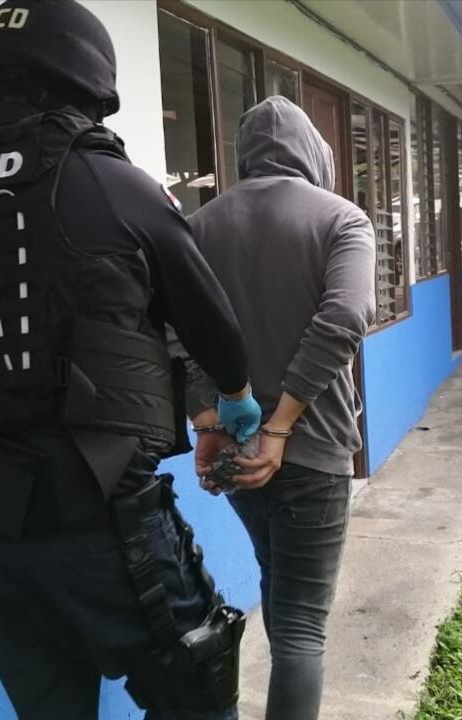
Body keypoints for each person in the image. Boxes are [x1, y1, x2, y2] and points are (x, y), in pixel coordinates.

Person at [0, 1, 262, 718]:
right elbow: (213, 324)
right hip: (107, 528)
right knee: (198, 700)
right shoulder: (110, 183)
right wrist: (234, 394)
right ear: (88, 80)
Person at [184, 96, 376, 720]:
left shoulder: (198, 227)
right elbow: (346, 316)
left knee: (278, 588)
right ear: (313, 152)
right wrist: (282, 426)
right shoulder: (342, 219)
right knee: (299, 630)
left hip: (236, 454)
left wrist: (206, 421)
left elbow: (170, 332)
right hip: (313, 452)